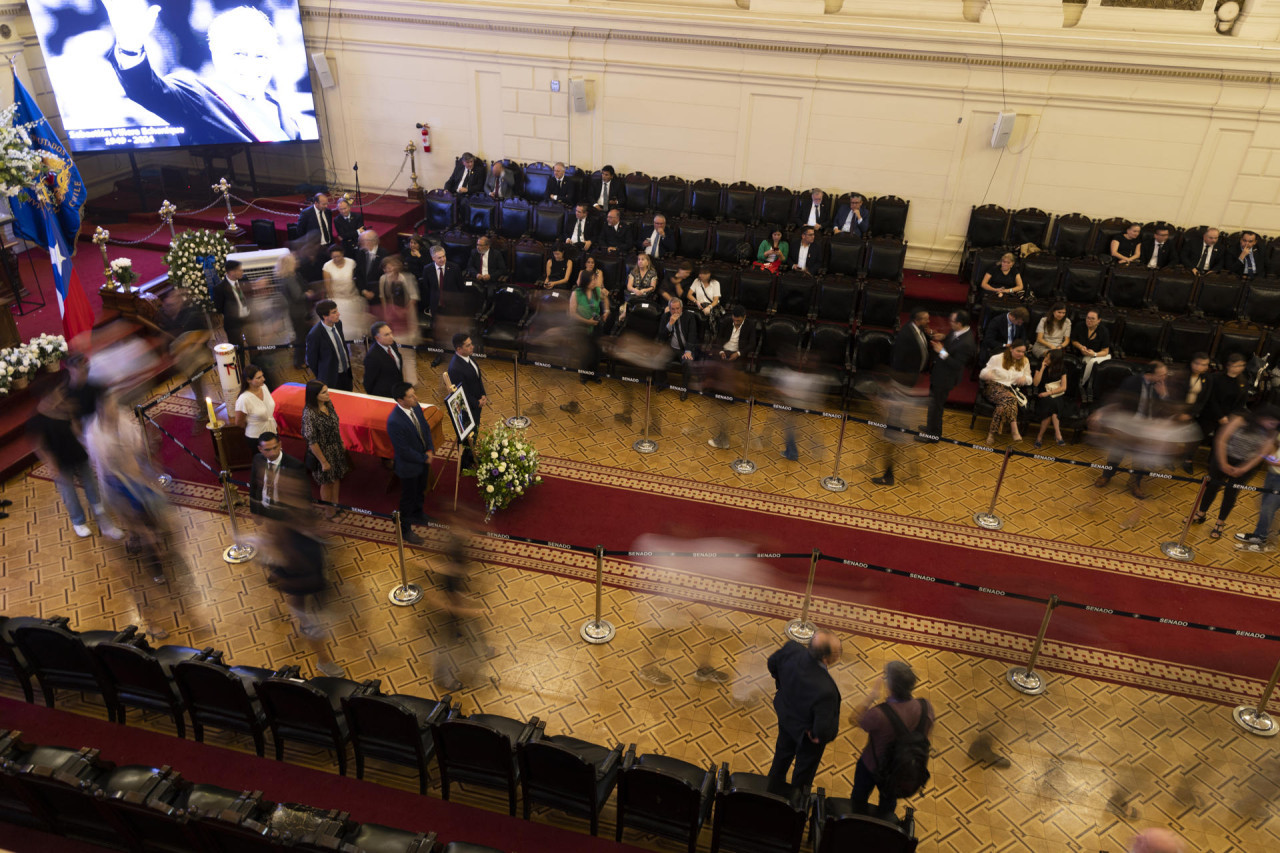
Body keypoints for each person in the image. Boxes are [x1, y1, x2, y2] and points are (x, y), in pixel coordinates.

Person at [104, 0, 306, 144]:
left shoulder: (283, 113)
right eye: (239, 54)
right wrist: (130, 47)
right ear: (216, 54)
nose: (251, 64)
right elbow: (146, 90)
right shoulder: (194, 93)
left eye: (261, 56)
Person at [259, 471, 344, 677]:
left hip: (312, 572)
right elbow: (278, 554)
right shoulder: (277, 520)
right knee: (311, 622)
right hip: (297, 580)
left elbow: (310, 531)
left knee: (310, 613)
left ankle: (286, 610)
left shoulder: (302, 508)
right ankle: (323, 660)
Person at [28, 384, 119, 539]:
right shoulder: (37, 420)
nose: (61, 394)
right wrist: (51, 464)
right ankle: (78, 522)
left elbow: (75, 428)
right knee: (69, 492)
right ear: (47, 395)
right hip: (60, 461)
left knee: (92, 487)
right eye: (57, 392)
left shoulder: (65, 408)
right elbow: (39, 446)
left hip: (77, 453)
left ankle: (103, 520)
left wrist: (85, 442)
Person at [849, 660, 935, 819]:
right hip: (901, 769)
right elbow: (926, 735)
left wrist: (872, 696)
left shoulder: (879, 714)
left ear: (889, 686)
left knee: (858, 799)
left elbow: (854, 719)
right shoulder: (925, 707)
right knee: (888, 804)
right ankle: (882, 828)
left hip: (871, 766)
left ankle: (856, 824)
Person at [765, 629, 842, 795]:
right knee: (803, 773)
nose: (839, 655)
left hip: (786, 719)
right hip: (805, 737)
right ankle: (795, 805)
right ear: (826, 658)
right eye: (837, 652)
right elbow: (824, 730)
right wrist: (816, 735)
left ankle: (770, 794)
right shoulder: (826, 690)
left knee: (781, 758)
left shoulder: (791, 649)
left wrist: (782, 688)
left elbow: (772, 663)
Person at [1192, 406, 1280, 539]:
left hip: (1246, 465)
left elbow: (1261, 453)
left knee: (1231, 493)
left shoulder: (1271, 432)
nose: (1272, 426)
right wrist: (1223, 463)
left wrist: (1243, 469)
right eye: (1271, 422)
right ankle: (1201, 513)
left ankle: (1220, 523)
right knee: (1212, 487)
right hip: (1224, 457)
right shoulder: (1240, 419)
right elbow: (1221, 439)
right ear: (1263, 417)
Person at [1094, 361, 1171, 499]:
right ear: (1150, 374)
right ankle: (1107, 475)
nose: (1164, 377)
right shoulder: (1132, 382)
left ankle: (1135, 482)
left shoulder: (1160, 386)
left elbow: (1165, 408)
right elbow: (1119, 400)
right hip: (1128, 422)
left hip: (1146, 425)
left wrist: (1164, 395)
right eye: (1162, 374)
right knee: (1117, 452)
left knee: (1141, 456)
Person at [386, 382, 435, 546]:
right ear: (400, 400)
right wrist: (424, 458)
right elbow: (403, 450)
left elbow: (425, 428)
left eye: (414, 394)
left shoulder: (415, 406)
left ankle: (418, 512)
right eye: (411, 396)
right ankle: (405, 529)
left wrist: (429, 449)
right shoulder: (394, 421)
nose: (416, 398)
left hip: (423, 459)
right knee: (408, 498)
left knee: (421, 490)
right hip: (409, 466)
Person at [922, 310, 976, 441]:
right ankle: (931, 427)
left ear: (959, 323)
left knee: (937, 406)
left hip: (945, 379)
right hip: (939, 374)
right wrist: (944, 338)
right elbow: (953, 342)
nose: (950, 323)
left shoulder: (967, 343)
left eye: (952, 321)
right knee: (933, 404)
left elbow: (957, 364)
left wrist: (942, 352)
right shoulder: (959, 331)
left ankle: (933, 435)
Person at [708, 306, 756, 448]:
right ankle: (720, 395)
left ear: (744, 317)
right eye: (734, 320)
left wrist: (739, 353)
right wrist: (722, 351)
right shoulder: (725, 322)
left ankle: (726, 398)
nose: (735, 323)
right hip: (725, 353)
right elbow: (718, 339)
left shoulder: (750, 325)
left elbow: (752, 344)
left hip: (739, 355)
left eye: (738, 321)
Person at [301, 381, 349, 519]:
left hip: (335, 448)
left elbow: (335, 425)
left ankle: (336, 506)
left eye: (327, 391)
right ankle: (329, 512)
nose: (328, 394)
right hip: (321, 452)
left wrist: (340, 441)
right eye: (323, 392)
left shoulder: (328, 404)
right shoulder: (309, 414)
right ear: (314, 395)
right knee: (327, 482)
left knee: (337, 477)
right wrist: (323, 462)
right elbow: (312, 441)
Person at [564, 263, 610, 399]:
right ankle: (584, 375)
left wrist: (606, 310)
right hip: (581, 326)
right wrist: (587, 322)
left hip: (596, 325)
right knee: (585, 352)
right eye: (593, 280)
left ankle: (594, 375)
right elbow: (572, 314)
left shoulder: (596, 290)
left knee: (596, 351)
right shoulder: (576, 293)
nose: (595, 281)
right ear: (586, 281)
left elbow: (605, 298)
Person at [376, 255, 420, 383]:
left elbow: (413, 297)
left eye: (391, 267)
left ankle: (412, 381)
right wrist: (387, 314)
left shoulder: (407, 278)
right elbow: (383, 298)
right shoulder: (383, 279)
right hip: (391, 319)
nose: (389, 270)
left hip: (406, 317)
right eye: (386, 268)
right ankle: (398, 379)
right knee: (395, 350)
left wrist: (403, 312)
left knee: (408, 351)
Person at [979, 340, 1032, 444]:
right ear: (1011, 349)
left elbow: (1030, 379)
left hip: (1010, 390)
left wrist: (1024, 378)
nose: (1021, 354)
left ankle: (991, 433)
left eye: (1023, 352)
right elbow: (982, 373)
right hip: (994, 387)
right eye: (1018, 351)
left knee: (1004, 404)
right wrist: (987, 374)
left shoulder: (1025, 361)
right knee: (1011, 399)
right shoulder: (997, 358)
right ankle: (1014, 429)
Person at [447, 334, 488, 469]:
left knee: (474, 433)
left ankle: (471, 456)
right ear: (459, 349)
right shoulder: (455, 368)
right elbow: (462, 392)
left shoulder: (468, 358)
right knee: (467, 436)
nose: (472, 347)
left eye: (471, 343)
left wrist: (483, 394)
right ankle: (465, 463)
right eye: (468, 345)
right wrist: (477, 403)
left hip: (477, 403)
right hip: (469, 407)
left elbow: (477, 379)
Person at [1193, 352, 1248, 449]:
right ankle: (1188, 460)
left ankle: (1213, 462)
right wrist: (1220, 416)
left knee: (1221, 442)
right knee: (1198, 437)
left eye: (1242, 365)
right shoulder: (1215, 378)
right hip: (1210, 413)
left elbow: (1241, 402)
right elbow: (1211, 398)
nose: (1239, 368)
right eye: (1236, 365)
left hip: (1228, 417)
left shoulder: (1243, 381)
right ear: (1229, 366)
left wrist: (1232, 416)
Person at [248, 432, 305, 519]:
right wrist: (255, 511)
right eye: (267, 450)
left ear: (280, 444)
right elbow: (254, 486)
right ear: (260, 449)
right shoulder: (258, 459)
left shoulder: (294, 465)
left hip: (285, 512)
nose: (272, 453)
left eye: (275, 448)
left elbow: (301, 496)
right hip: (264, 508)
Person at [322, 244, 370, 342]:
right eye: (334, 257)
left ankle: (356, 346)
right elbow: (328, 286)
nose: (336, 258)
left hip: (352, 297)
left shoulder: (351, 262)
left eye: (338, 256)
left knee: (355, 326)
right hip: (337, 299)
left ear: (342, 254)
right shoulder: (327, 266)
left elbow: (358, 279)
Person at [306, 300, 354, 392]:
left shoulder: (338, 324)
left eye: (337, 311)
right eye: (334, 312)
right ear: (325, 316)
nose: (338, 314)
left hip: (346, 374)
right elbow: (312, 361)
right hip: (331, 379)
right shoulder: (314, 334)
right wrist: (323, 376)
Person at [277, 253, 314, 370]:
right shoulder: (290, 279)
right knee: (301, 338)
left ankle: (301, 360)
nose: (296, 262)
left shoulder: (283, 277)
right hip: (299, 312)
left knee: (301, 336)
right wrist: (308, 294)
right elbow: (298, 296)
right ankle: (299, 362)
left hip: (293, 311)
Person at [657, 297, 697, 401]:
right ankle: (663, 382)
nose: (675, 311)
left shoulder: (690, 317)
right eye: (673, 309)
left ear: (682, 308)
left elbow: (692, 335)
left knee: (687, 363)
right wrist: (670, 324)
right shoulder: (666, 317)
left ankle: (684, 389)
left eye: (677, 308)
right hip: (671, 348)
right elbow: (661, 336)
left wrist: (688, 351)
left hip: (685, 349)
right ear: (669, 309)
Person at [233, 363, 277, 458]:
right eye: (258, 378)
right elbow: (239, 422)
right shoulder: (244, 399)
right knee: (263, 464)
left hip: (272, 430)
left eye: (262, 376)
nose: (263, 379)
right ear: (248, 380)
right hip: (256, 437)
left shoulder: (264, 387)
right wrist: (255, 424)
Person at [1070, 309, 1111, 403]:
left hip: (1099, 355)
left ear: (1099, 320)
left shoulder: (1104, 331)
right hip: (1085, 354)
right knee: (1087, 361)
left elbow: (1105, 351)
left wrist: (1094, 354)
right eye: (1088, 318)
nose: (1089, 321)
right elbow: (1074, 341)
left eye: (1092, 319)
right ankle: (1081, 385)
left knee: (1092, 361)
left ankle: (1081, 384)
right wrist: (1081, 347)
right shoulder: (1080, 326)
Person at [1180, 352, 1211, 473]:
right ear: (1191, 363)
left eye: (1204, 365)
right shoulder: (1183, 375)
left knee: (1196, 435)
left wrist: (1192, 414)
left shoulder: (1207, 379)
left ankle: (1188, 459)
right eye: (1197, 363)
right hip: (1178, 410)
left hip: (1194, 412)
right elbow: (1176, 395)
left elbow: (1204, 399)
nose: (1200, 367)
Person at [1033, 349, 1069, 448]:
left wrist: (1048, 393)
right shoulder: (1040, 364)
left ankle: (1039, 437)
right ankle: (1058, 435)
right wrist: (1042, 369)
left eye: (1049, 359)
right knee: (1052, 406)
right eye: (1046, 357)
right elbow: (1035, 383)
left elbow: (1063, 387)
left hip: (1056, 394)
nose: (1046, 359)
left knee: (1052, 406)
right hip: (1042, 395)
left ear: (1055, 361)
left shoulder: (1062, 368)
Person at [363, 321, 408, 399]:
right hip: (384, 396)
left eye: (391, 333)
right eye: (387, 335)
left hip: (397, 392)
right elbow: (368, 382)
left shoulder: (392, 344)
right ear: (377, 338)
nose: (391, 336)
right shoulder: (372, 356)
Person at [212, 259, 250, 347]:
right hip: (233, 324)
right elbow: (219, 308)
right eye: (239, 270)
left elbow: (250, 296)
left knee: (253, 344)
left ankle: (255, 360)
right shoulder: (220, 288)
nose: (242, 272)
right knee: (238, 348)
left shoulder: (244, 280)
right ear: (231, 272)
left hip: (248, 319)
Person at [353, 230, 386, 299]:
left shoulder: (384, 255)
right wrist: (363, 291)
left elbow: (385, 277)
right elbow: (358, 274)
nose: (359, 243)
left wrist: (374, 292)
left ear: (373, 241)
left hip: (379, 295)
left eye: (362, 241)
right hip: (364, 294)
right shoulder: (360, 253)